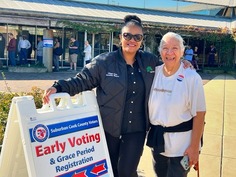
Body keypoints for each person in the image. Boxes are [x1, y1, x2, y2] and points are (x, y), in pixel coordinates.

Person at [42, 15, 191, 177]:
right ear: (120, 37)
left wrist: (182, 63)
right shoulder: (104, 62)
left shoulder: (149, 61)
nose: (132, 40)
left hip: (137, 131)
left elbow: (169, 67)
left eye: (137, 37)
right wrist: (58, 87)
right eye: (127, 35)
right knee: (111, 171)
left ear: (141, 40)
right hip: (109, 130)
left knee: (127, 172)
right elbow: (81, 81)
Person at [147, 32, 206, 177]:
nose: (169, 52)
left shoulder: (192, 78)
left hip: (182, 148)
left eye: (174, 48)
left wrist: (194, 147)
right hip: (158, 143)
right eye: (165, 48)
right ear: (160, 52)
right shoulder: (153, 73)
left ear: (182, 52)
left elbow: (200, 115)